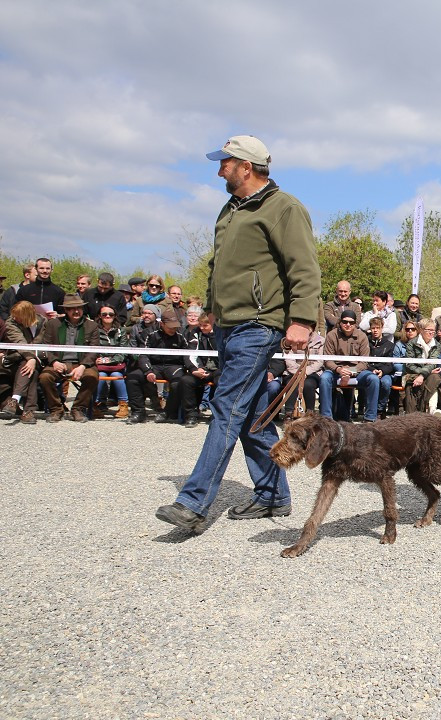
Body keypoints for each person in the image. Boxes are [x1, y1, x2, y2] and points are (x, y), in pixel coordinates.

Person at [156, 134, 320, 532]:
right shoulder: (230, 209)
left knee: (226, 407)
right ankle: (273, 495)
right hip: (230, 325)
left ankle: (193, 503)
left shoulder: (284, 208)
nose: (219, 170)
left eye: (225, 163)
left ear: (246, 167)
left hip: (259, 325)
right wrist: (213, 309)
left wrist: (300, 319)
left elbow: (304, 267)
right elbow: (220, 267)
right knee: (247, 416)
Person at [38, 294, 100, 422]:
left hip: (82, 363)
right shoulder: (53, 324)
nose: (76, 311)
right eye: (72, 308)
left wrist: (83, 366)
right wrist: (54, 361)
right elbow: (45, 346)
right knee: (45, 377)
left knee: (92, 377)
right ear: (65, 310)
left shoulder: (92, 326)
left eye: (79, 308)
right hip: (59, 362)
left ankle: (78, 409)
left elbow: (94, 350)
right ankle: (56, 409)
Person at [320, 309, 378, 421]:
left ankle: (370, 418)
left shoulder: (362, 336)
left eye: (351, 323)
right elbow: (327, 360)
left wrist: (351, 370)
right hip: (335, 371)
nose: (348, 325)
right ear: (340, 322)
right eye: (345, 322)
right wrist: (338, 369)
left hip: (357, 372)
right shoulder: (331, 335)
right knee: (324, 378)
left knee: (373, 379)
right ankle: (326, 418)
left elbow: (364, 362)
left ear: (355, 324)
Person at [0, 301, 42, 423]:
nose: (13, 317)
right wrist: (31, 359)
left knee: (30, 368)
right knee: (30, 371)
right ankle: (27, 411)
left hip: (40, 358)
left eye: (17, 315)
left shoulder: (44, 323)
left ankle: (15, 402)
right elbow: (19, 342)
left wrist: (33, 359)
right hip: (17, 359)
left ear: (27, 316)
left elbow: (42, 342)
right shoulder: (11, 323)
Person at [93, 305, 129, 419]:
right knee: (100, 376)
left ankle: (123, 404)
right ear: (99, 316)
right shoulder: (94, 330)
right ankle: (96, 404)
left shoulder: (121, 330)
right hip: (99, 364)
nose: (108, 316)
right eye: (104, 314)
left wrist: (109, 360)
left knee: (117, 376)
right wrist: (98, 359)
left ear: (115, 316)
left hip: (116, 364)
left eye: (111, 314)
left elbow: (124, 351)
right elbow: (92, 348)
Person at [402, 318, 441, 414]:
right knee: (429, 377)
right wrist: (422, 373)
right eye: (429, 330)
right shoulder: (411, 344)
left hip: (428, 374)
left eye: (433, 330)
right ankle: (416, 412)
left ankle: (432, 409)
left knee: (435, 377)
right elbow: (409, 364)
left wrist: (422, 375)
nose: (432, 333)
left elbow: (432, 363)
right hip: (412, 373)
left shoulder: (437, 345)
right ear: (421, 330)